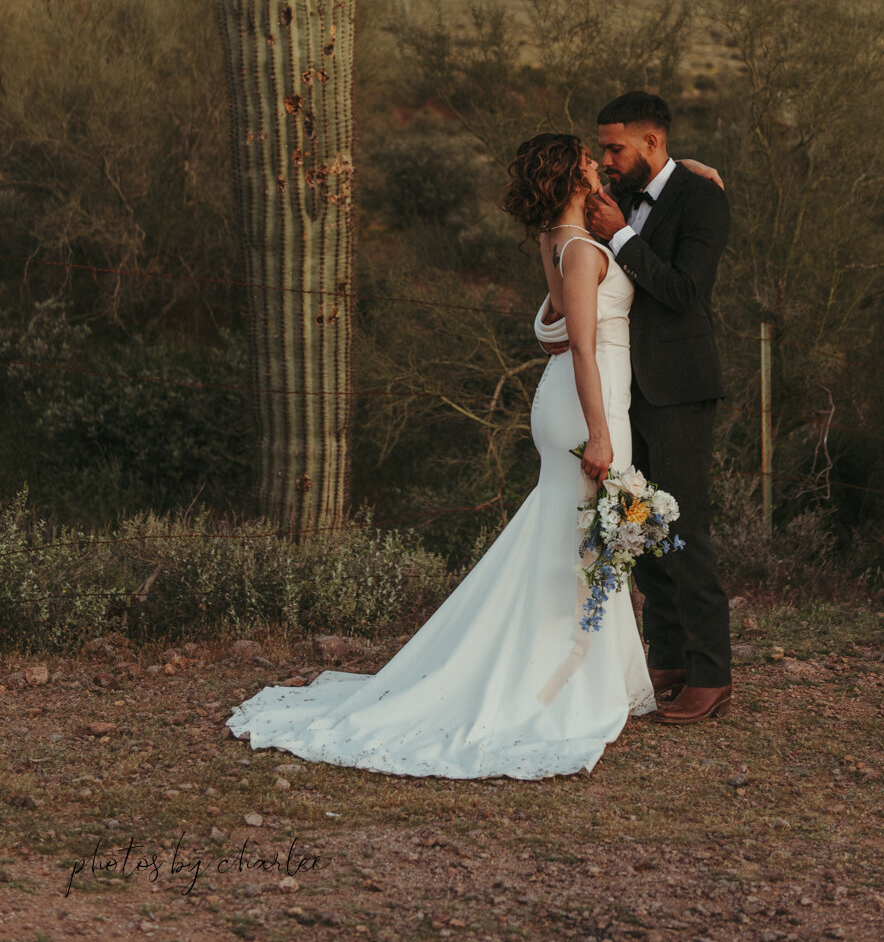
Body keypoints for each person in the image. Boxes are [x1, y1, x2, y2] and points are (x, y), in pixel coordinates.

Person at [225, 133, 654, 780]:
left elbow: (556, 338)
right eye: (590, 164)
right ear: (572, 176)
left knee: (578, 542)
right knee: (583, 545)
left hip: (571, 401)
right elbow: (584, 350)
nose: (599, 169)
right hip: (587, 407)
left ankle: (580, 677)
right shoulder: (582, 253)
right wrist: (599, 433)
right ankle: (562, 687)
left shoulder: (556, 244)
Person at [583, 91, 732, 725]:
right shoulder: (612, 196)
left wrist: (619, 234)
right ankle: (667, 656)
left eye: (615, 148)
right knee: (639, 527)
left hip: (678, 386)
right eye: (602, 148)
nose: (606, 159)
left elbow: (682, 292)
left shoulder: (703, 198)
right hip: (625, 390)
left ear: (651, 143)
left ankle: (711, 672)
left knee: (684, 529)